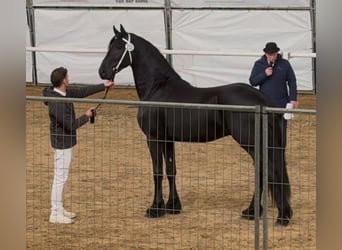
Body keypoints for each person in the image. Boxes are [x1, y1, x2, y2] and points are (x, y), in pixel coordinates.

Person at [43, 67, 114, 224]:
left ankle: (59, 209)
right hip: (62, 143)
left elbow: (82, 92)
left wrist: (103, 86)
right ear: (63, 81)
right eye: (67, 76)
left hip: (65, 142)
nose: (69, 77)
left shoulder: (62, 93)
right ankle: (55, 213)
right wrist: (87, 116)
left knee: (61, 177)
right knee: (60, 178)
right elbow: (71, 125)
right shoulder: (58, 103)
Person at [249, 42, 298, 148]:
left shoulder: (284, 64)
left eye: (274, 54)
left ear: (277, 53)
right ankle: (267, 153)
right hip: (265, 104)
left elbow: (292, 81)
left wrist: (293, 99)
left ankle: (281, 151)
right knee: (266, 130)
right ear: (266, 54)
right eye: (270, 55)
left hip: (282, 103)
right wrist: (264, 74)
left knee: (281, 130)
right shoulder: (259, 64)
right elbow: (252, 81)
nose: (272, 57)